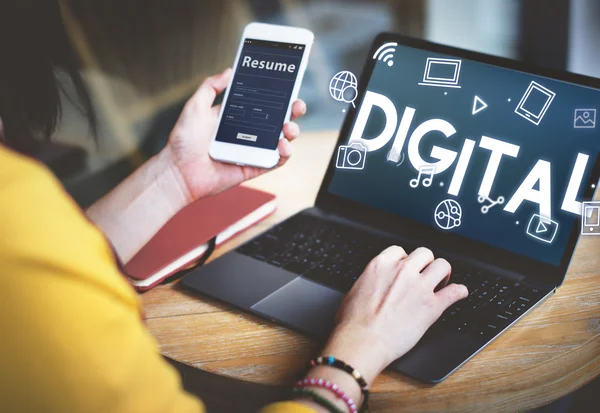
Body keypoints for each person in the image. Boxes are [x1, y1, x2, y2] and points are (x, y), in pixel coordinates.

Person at [0, 2, 468, 412]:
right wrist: (360, 348)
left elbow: (55, 254)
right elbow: (34, 267)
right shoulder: (17, 218)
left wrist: (176, 176)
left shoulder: (22, 209)